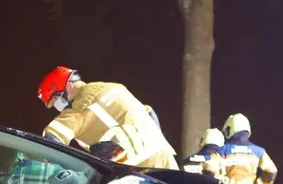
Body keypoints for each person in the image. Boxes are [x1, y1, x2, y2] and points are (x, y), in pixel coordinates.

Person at [37, 66, 178, 169]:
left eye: (54, 99)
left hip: (139, 168)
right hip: (163, 156)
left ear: (67, 86)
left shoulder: (83, 102)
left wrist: (41, 161)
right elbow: (149, 112)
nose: (56, 106)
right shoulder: (111, 87)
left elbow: (56, 133)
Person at [218, 113, 278, 184]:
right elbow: (272, 172)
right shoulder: (258, 151)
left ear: (231, 129)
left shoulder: (221, 150)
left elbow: (212, 170)